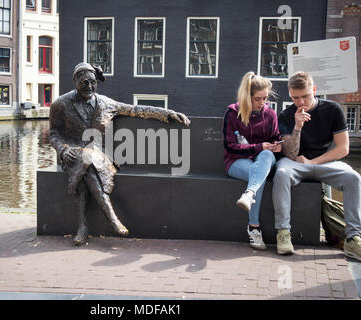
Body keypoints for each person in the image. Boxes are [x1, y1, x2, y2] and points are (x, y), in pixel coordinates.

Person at [49, 62, 190, 246]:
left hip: (101, 155)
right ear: (75, 80)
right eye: (84, 83)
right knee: (84, 162)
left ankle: (84, 226)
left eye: (93, 82)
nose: (89, 87)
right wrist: (63, 149)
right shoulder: (60, 104)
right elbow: (54, 133)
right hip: (73, 154)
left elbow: (136, 110)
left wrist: (167, 113)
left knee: (88, 164)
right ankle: (110, 219)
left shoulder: (107, 103)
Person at [273, 71, 361, 261]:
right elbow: (289, 153)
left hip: (325, 161)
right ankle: (283, 232)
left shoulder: (333, 110)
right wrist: (297, 127)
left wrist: (313, 162)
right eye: (296, 98)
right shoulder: (286, 115)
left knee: (354, 177)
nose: (301, 102)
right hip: (296, 163)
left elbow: (343, 148)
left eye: (305, 96)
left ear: (314, 90)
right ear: (290, 94)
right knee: (281, 173)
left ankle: (353, 238)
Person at [222, 71, 282, 250]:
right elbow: (229, 146)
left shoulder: (270, 114)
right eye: (258, 99)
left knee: (265, 157)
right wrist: (259, 147)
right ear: (247, 97)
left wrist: (277, 146)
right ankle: (253, 226)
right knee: (258, 176)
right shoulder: (232, 113)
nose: (262, 103)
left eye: (265, 98)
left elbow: (275, 138)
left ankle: (249, 197)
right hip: (236, 162)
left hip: (263, 160)